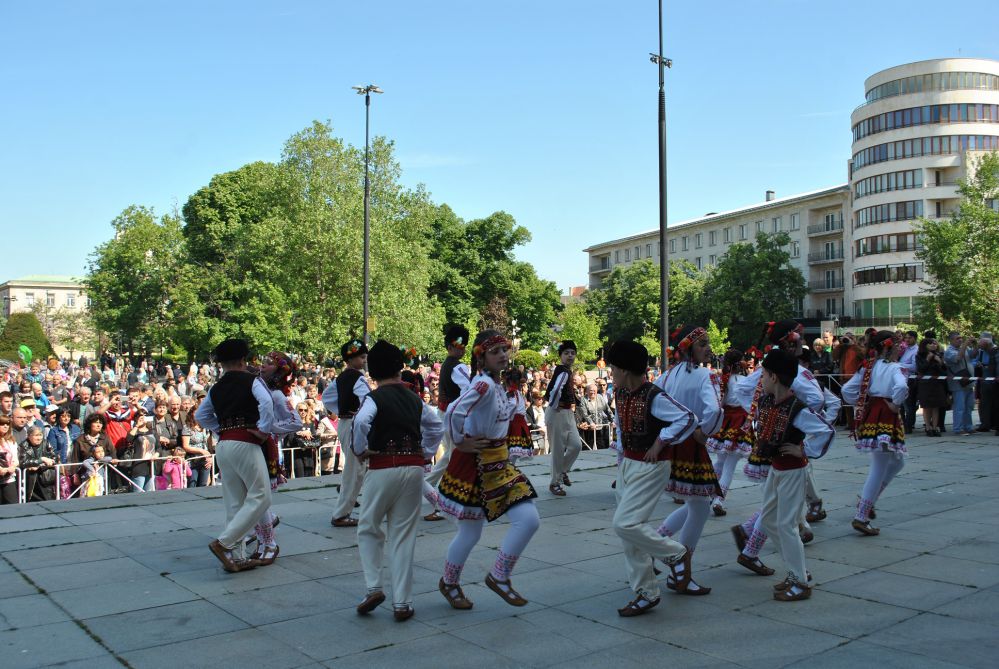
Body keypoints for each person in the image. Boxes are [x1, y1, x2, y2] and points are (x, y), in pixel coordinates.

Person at [437, 330, 540, 610]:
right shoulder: (482, 385)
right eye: (495, 352)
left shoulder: (495, 385)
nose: (503, 355)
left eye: (505, 350)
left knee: (528, 518)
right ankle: (450, 581)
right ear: (481, 357)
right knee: (471, 533)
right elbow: (453, 411)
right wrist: (461, 442)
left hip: (498, 462)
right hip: (477, 465)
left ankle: (499, 575)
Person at [353, 341, 444, 621]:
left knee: (369, 527)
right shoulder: (415, 399)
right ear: (399, 368)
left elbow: (360, 423)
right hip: (414, 469)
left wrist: (360, 449)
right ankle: (402, 603)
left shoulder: (374, 398)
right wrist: (426, 453)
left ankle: (373, 588)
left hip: (382, 467)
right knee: (403, 536)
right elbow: (436, 426)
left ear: (373, 371)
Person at [606, 340, 698, 617]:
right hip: (629, 465)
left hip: (651, 466)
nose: (611, 372)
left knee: (625, 523)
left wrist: (661, 441)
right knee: (629, 534)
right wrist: (621, 458)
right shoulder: (621, 393)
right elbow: (622, 428)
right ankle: (646, 592)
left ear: (624, 369)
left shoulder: (653, 396)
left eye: (613, 367)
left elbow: (687, 418)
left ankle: (676, 553)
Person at [196, 338, 290, 573]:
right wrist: (263, 431)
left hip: (224, 445)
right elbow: (266, 404)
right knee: (261, 495)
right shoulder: (252, 380)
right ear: (242, 360)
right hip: (246, 442)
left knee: (234, 502)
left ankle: (237, 556)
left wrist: (221, 430)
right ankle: (224, 543)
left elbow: (201, 416)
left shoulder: (216, 387)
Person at [754, 349, 835, 601]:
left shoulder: (797, 409)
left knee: (786, 525)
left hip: (792, 471)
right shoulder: (767, 401)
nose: (761, 379)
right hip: (776, 468)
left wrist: (804, 449)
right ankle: (795, 571)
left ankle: (800, 581)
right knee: (769, 520)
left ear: (775, 377)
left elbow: (826, 431)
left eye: (764, 374)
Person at [652, 325, 724, 596]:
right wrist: (705, 431)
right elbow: (715, 409)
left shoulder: (668, 375)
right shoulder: (705, 375)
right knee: (701, 504)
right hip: (691, 444)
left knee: (699, 504)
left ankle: (657, 546)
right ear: (690, 349)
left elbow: (653, 400)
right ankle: (681, 567)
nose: (708, 348)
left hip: (673, 443)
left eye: (707, 343)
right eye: (703, 344)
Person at [841, 330, 908, 536]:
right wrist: (895, 404)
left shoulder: (868, 367)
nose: (900, 348)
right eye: (897, 345)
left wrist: (863, 403)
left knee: (898, 461)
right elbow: (902, 386)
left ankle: (867, 502)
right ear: (888, 347)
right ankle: (861, 515)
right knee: (880, 466)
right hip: (886, 415)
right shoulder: (895, 368)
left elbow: (846, 391)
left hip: (874, 414)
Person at [322, 338, 371, 527]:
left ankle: (348, 507)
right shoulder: (357, 377)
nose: (364, 361)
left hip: (345, 422)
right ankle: (341, 513)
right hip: (353, 424)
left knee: (356, 468)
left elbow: (327, 397)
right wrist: (360, 412)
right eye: (362, 357)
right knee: (354, 470)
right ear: (351, 359)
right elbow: (368, 398)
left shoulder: (341, 377)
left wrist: (340, 409)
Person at [424, 325, 471, 520]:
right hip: (453, 415)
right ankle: (442, 502)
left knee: (452, 454)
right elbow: (470, 390)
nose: (462, 348)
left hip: (446, 413)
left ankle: (426, 484)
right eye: (458, 344)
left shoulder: (447, 364)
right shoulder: (458, 366)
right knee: (456, 456)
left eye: (464, 344)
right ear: (450, 346)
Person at [706, 349, 753, 516]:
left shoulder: (723, 380)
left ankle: (709, 492)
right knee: (729, 466)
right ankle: (718, 499)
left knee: (720, 461)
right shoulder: (744, 381)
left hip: (725, 422)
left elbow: (720, 402)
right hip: (739, 422)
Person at [544, 340, 584, 496]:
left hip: (566, 413)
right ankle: (554, 483)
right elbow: (554, 390)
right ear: (560, 355)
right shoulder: (563, 371)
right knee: (558, 450)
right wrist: (555, 405)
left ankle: (562, 471)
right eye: (566, 353)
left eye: (572, 353)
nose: (570, 356)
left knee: (576, 445)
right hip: (557, 413)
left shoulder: (566, 371)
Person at [916, 338, 947, 436]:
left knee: (936, 406)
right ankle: (928, 427)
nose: (934, 345)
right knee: (927, 406)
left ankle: (935, 427)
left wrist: (940, 362)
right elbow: (921, 369)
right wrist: (927, 359)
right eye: (931, 344)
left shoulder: (939, 355)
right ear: (925, 345)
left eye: (935, 344)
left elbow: (944, 371)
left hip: (937, 384)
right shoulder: (919, 356)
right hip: (925, 384)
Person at [19, 426, 57, 501]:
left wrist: (41, 465)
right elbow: (23, 462)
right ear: (29, 436)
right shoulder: (23, 446)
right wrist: (41, 460)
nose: (39, 438)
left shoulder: (46, 443)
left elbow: (54, 458)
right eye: (36, 435)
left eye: (40, 435)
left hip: (46, 478)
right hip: (31, 480)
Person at [898, 331, 919, 434]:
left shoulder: (916, 350)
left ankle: (909, 425)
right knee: (901, 404)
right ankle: (903, 424)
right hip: (901, 378)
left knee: (909, 404)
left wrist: (900, 365)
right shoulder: (904, 348)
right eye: (906, 338)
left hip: (910, 379)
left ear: (915, 338)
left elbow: (914, 367)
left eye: (909, 338)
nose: (907, 340)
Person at [0, 415, 20, 504]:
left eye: (7, 424)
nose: (5, 426)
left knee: (13, 506)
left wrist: (13, 466)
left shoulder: (11, 441)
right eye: (2, 424)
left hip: (9, 479)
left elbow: (15, 458)